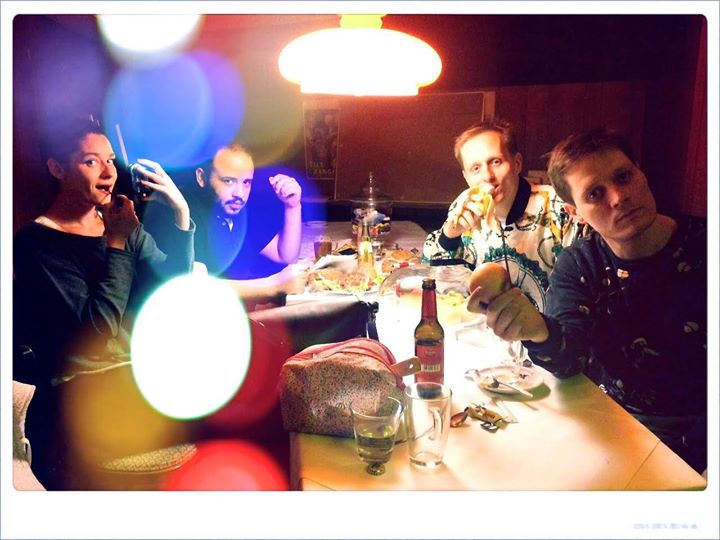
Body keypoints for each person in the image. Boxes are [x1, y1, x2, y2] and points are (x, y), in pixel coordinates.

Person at [482, 127, 707, 473]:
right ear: (575, 212)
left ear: (641, 173)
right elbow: (569, 357)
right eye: (595, 193)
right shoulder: (580, 264)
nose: (618, 197)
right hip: (610, 423)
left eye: (624, 177)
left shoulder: (705, 248)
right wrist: (537, 329)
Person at [13, 114, 195, 487]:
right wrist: (117, 243)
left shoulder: (117, 221)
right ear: (57, 169)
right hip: (82, 392)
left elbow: (174, 284)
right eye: (91, 161)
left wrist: (180, 210)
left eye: (110, 160)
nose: (109, 172)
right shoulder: (37, 241)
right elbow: (96, 332)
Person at [423, 120, 576, 312]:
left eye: (495, 162)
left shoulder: (559, 207)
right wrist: (450, 234)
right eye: (476, 168)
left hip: (548, 328)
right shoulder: (463, 209)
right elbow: (434, 274)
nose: (487, 176)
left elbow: (580, 287)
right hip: (483, 327)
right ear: (466, 177)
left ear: (517, 163)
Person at [157, 143, 304, 306]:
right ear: (201, 177)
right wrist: (274, 286)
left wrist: (293, 206)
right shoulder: (183, 213)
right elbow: (197, 287)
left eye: (246, 182)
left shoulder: (239, 212)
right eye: (228, 181)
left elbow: (284, 254)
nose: (239, 194)